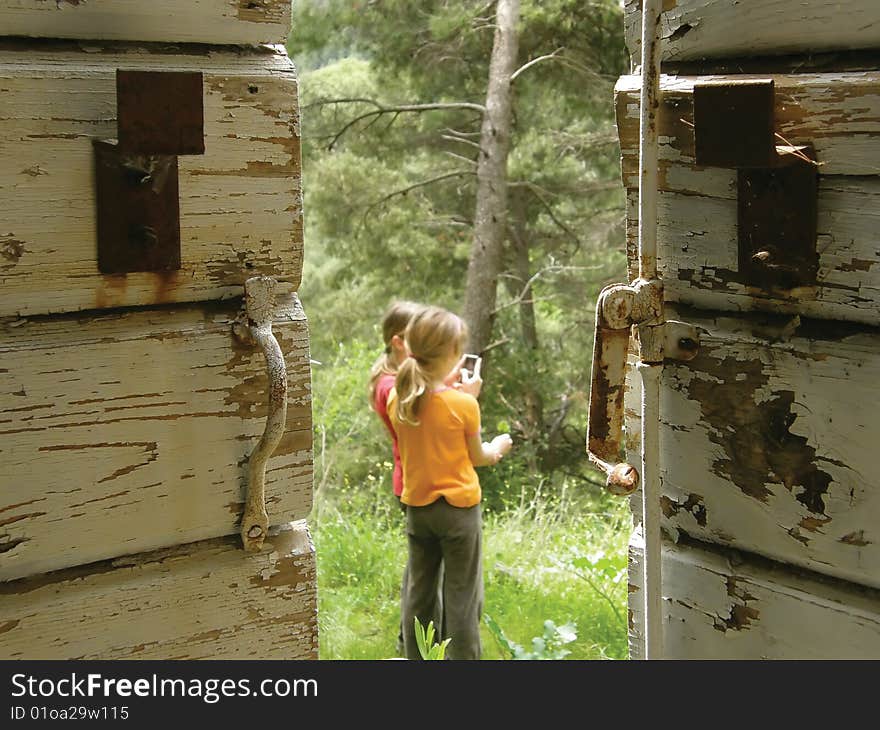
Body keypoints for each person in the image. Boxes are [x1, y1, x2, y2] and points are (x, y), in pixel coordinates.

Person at [388, 306, 513, 660]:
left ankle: (418, 658)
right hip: (458, 513)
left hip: (418, 511)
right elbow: (478, 456)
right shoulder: (463, 405)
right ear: (454, 356)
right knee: (462, 596)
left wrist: (451, 393)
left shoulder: (400, 398)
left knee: (420, 592)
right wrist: (498, 446)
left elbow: (431, 414)